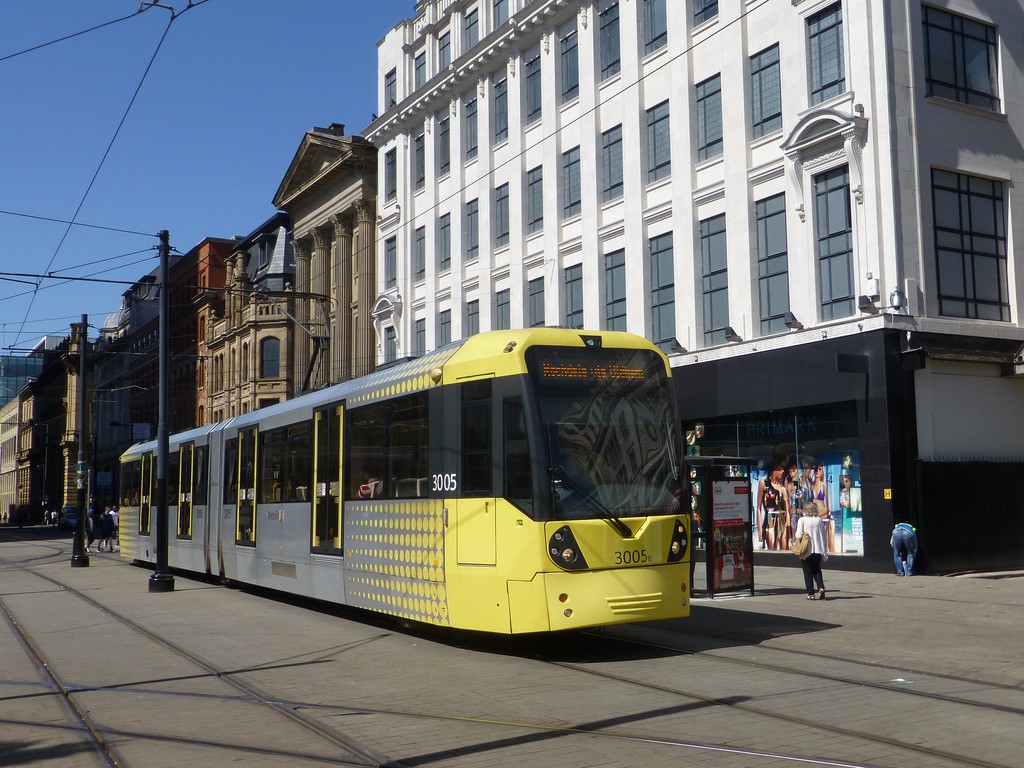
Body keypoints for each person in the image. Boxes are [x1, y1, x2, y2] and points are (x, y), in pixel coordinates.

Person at [794, 501, 829, 599]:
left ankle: (811, 594)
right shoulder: (819, 520)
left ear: (806, 510)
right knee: (817, 569)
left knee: (807, 572)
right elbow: (823, 535)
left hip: (806, 550)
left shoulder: (802, 520)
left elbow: (798, 535)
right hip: (818, 550)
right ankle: (821, 587)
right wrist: (824, 551)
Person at [756, 463, 787, 550]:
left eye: (783, 469)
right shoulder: (763, 483)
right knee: (771, 551)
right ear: (774, 469)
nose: (782, 471)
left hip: (781, 523)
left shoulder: (782, 489)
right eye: (780, 469)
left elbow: (786, 512)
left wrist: (789, 533)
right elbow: (758, 508)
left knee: (783, 552)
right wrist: (759, 531)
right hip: (769, 522)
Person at [809, 464, 834, 553]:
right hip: (815, 518)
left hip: (823, 517)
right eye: (816, 468)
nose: (817, 471)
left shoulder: (823, 486)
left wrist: (818, 515)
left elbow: (829, 507)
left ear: (823, 472)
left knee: (827, 545)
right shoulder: (810, 486)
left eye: (820, 469)